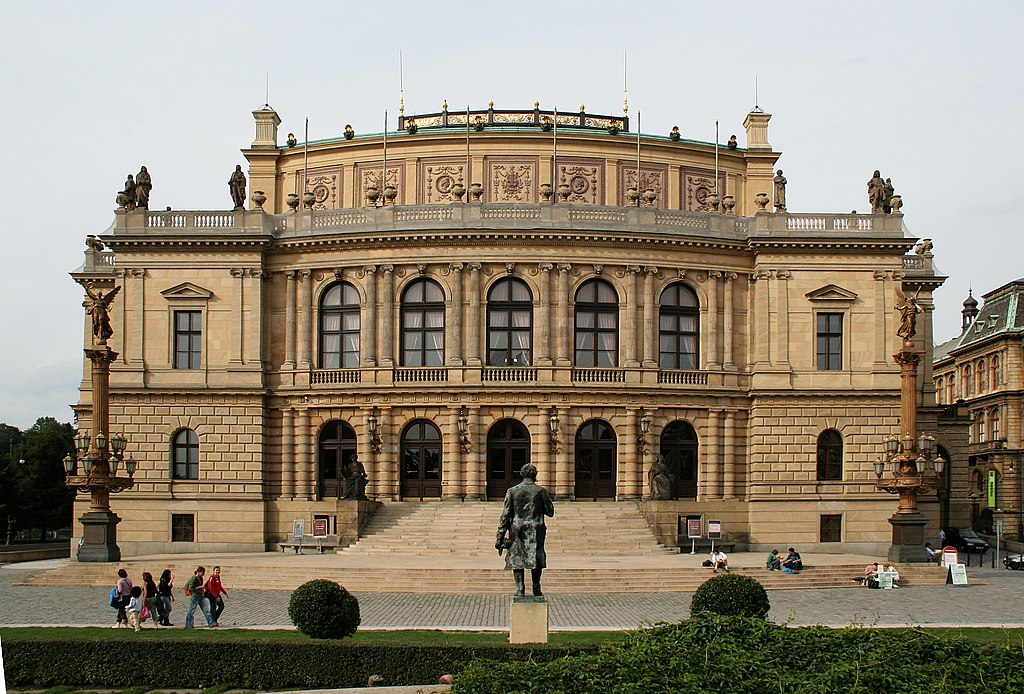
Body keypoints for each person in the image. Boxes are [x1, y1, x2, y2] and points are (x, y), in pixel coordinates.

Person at [495, 463, 555, 597]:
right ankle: (536, 587)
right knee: (537, 556)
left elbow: (505, 515)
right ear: (535, 475)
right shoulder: (541, 491)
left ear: (522, 474)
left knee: (517, 557)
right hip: (536, 529)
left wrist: (499, 536)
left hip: (517, 529)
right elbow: (550, 512)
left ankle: (520, 588)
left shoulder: (512, 491)